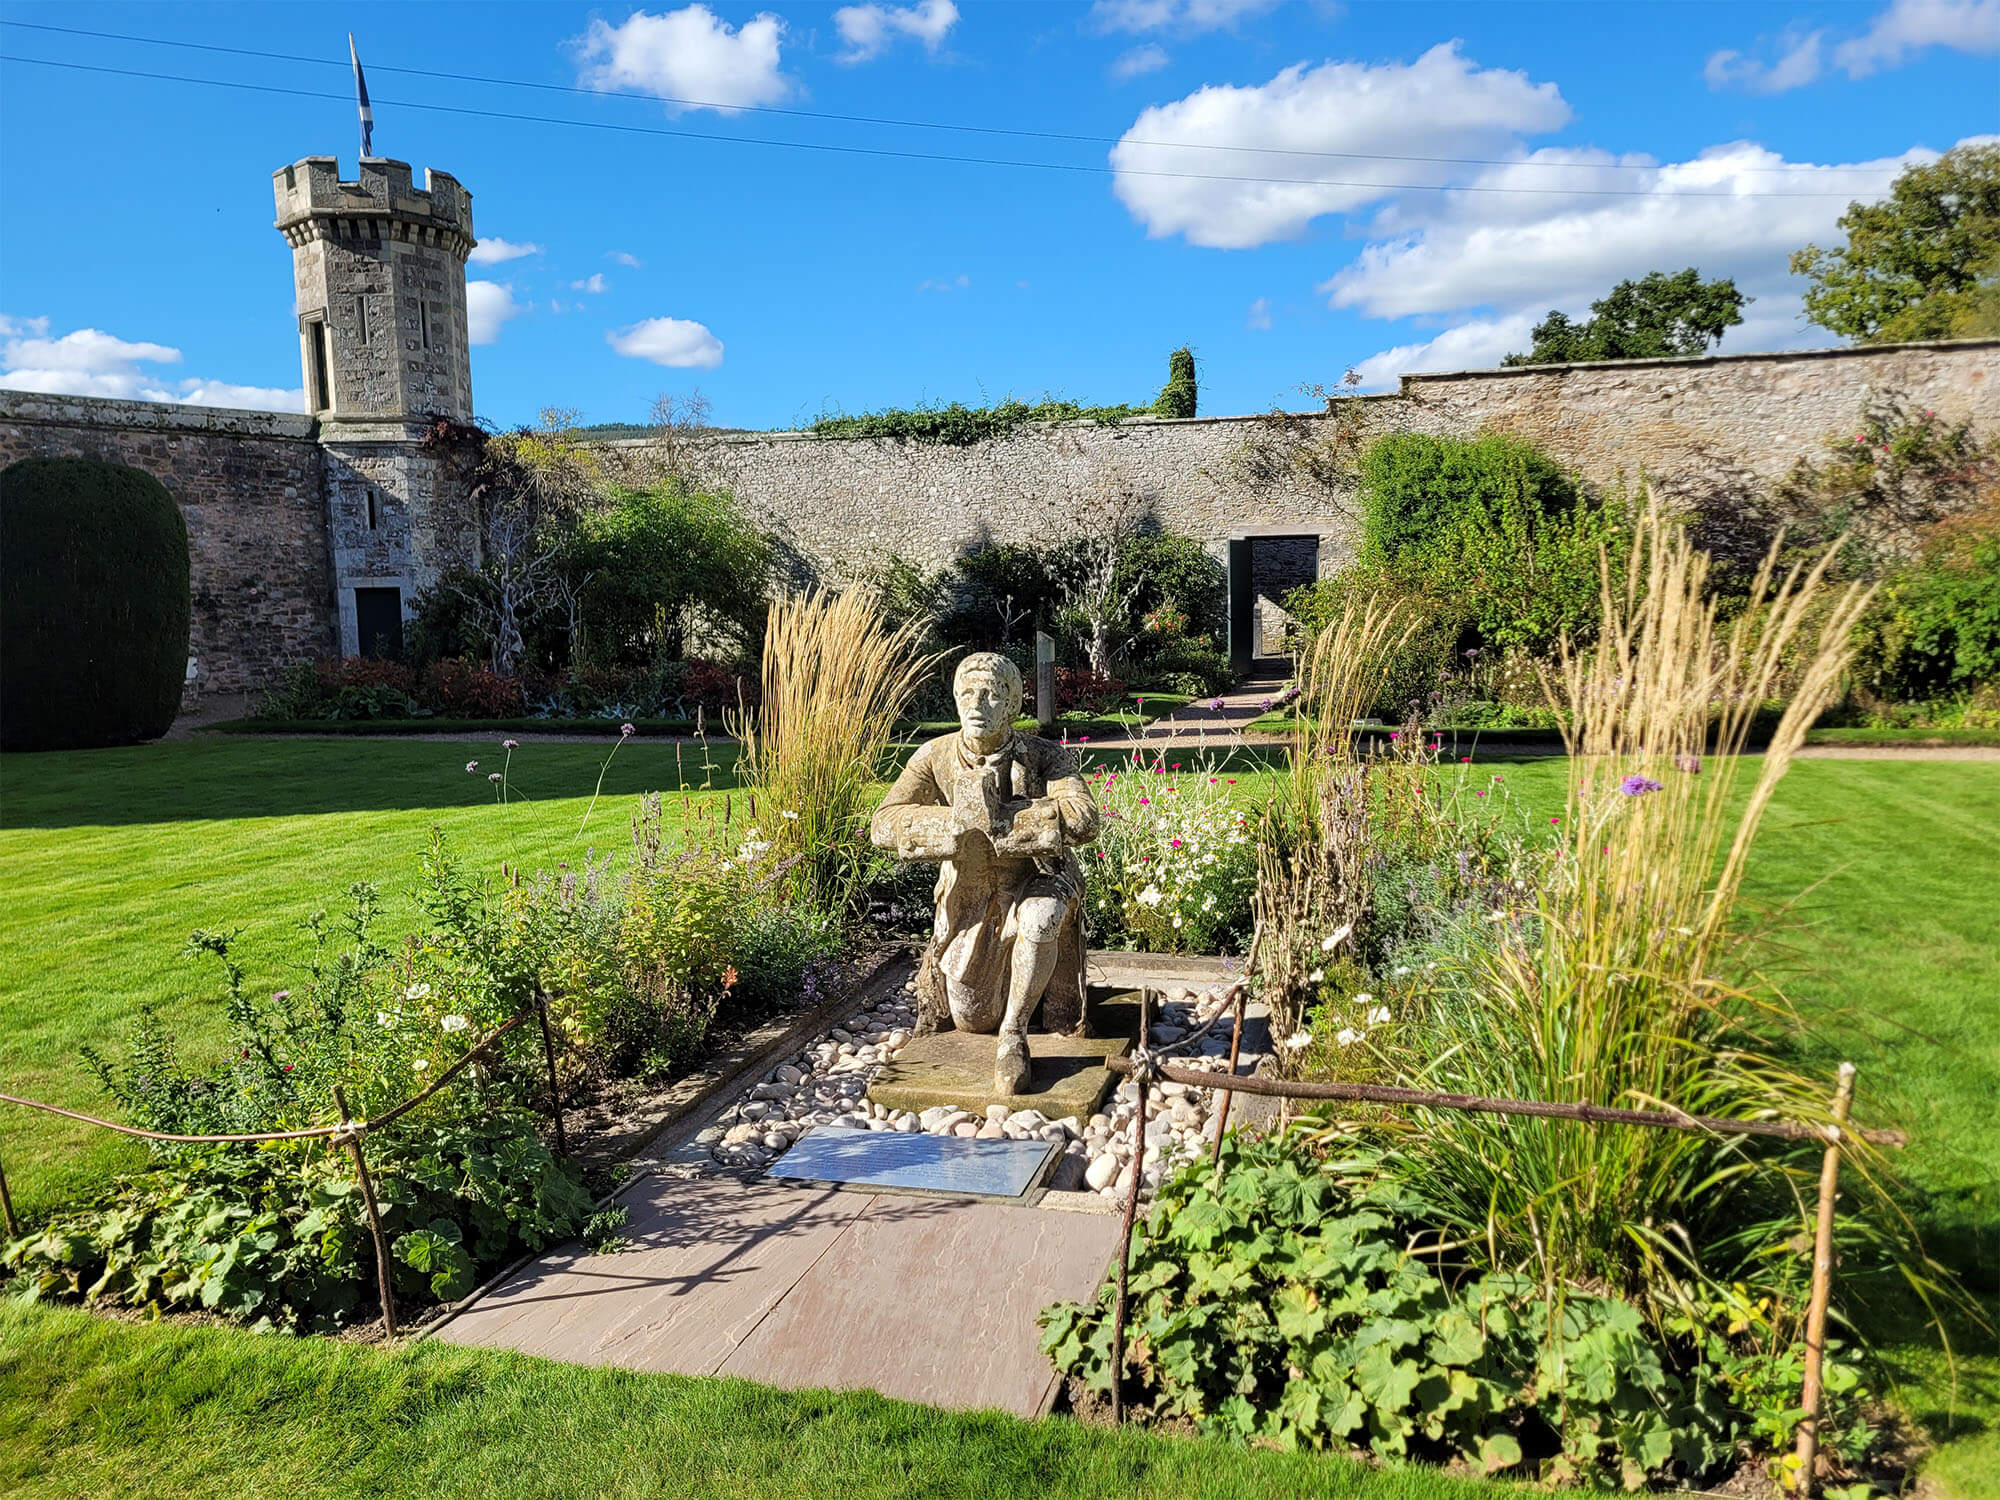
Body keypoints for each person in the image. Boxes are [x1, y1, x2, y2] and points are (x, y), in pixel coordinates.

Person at [870, 651, 1102, 1093]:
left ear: (1013, 704)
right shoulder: (935, 756)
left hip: (1038, 875)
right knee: (973, 1018)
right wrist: (954, 826)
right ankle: (996, 1015)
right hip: (971, 894)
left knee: (1040, 916)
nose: (976, 704)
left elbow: (1084, 816)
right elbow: (884, 821)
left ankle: (1014, 1036)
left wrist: (1010, 822)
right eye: (967, 694)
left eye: (992, 695)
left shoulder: (1042, 756)